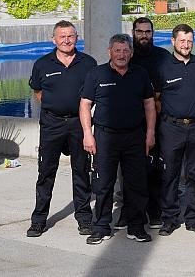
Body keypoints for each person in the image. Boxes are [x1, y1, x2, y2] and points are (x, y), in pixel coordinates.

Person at [79, 34, 157, 245]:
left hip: (134, 136)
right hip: (105, 136)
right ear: (110, 52)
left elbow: (149, 104)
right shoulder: (97, 74)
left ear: (131, 53)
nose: (121, 55)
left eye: (125, 51)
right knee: (103, 184)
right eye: (117, 50)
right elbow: (85, 104)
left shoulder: (140, 74)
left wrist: (150, 133)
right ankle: (101, 227)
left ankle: (136, 226)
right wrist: (88, 133)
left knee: (136, 184)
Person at [26, 20, 97, 238]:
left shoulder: (88, 63)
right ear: (54, 39)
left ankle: (84, 219)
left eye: (71, 36)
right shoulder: (42, 64)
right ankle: (38, 220)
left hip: (78, 124)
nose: (66, 40)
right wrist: (54, 106)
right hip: (52, 124)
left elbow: (93, 95)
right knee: (46, 172)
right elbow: (38, 92)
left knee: (81, 172)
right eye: (62, 36)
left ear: (77, 38)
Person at [152, 24, 195, 236]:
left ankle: (193, 219)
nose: (186, 45)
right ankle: (170, 219)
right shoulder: (162, 67)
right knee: (169, 175)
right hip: (171, 128)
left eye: (190, 41)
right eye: (182, 41)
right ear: (173, 41)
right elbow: (155, 99)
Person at [130, 17, 170, 229]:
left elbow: (166, 90)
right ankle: (130, 212)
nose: (144, 35)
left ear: (153, 33)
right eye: (139, 31)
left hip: (157, 120)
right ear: (133, 33)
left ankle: (155, 211)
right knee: (130, 169)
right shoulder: (127, 56)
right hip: (131, 123)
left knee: (155, 169)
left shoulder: (163, 57)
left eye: (147, 32)